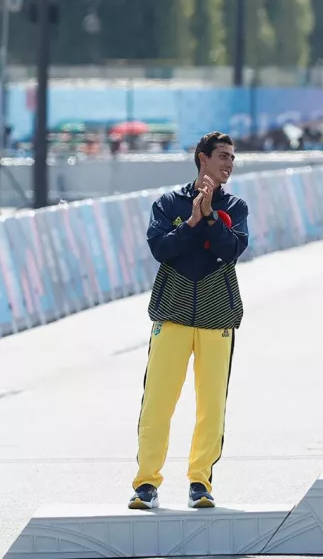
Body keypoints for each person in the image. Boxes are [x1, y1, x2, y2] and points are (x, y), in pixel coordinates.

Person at [128, 131, 249, 510]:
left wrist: (211, 216)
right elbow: (161, 249)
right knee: (157, 404)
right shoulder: (168, 203)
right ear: (202, 159)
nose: (229, 164)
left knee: (211, 406)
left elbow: (232, 250)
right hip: (173, 315)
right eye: (222, 157)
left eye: (232, 157)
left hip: (217, 319)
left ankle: (200, 482)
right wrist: (192, 221)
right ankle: (146, 484)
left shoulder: (236, 206)